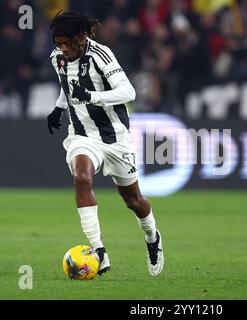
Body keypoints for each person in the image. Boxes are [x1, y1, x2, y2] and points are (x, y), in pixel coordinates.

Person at [47, 11, 164, 277]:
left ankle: (152, 237)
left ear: (81, 37)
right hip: (82, 135)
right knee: (82, 178)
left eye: (67, 43)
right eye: (58, 44)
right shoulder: (58, 58)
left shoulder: (101, 55)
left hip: (115, 139)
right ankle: (99, 250)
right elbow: (67, 87)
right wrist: (58, 108)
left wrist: (91, 96)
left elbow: (128, 92)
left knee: (134, 201)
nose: (62, 49)